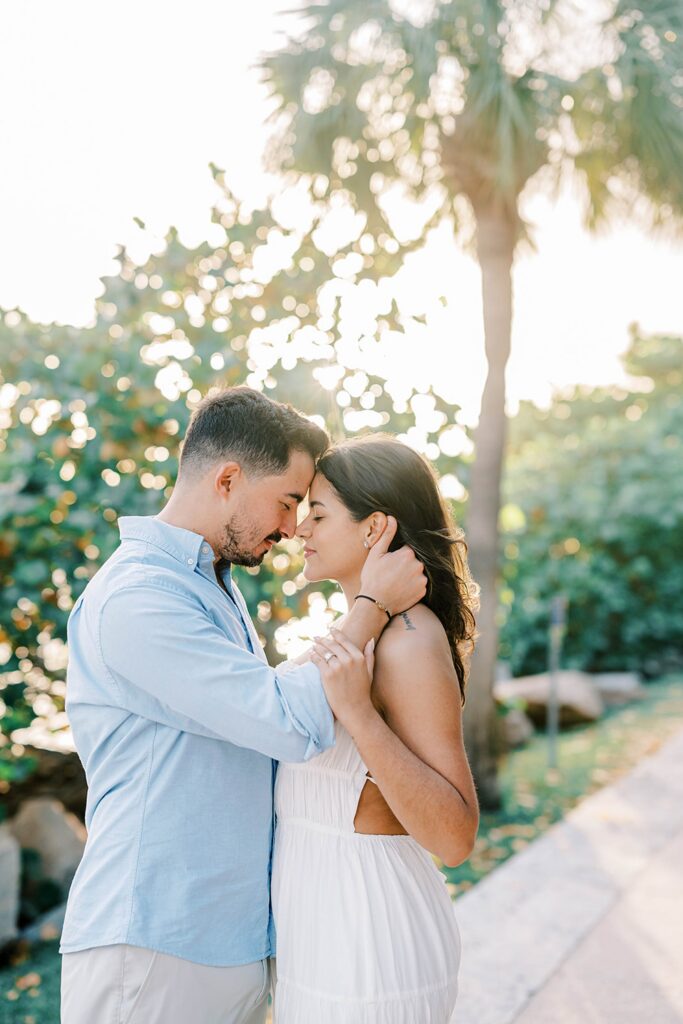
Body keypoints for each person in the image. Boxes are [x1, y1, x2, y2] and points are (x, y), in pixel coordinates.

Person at [59, 388, 427, 1024]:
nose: (292, 528)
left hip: (228, 942)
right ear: (228, 479)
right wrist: (372, 604)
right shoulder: (139, 598)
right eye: (287, 501)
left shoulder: (209, 584)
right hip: (153, 942)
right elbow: (286, 720)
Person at [271, 434, 480, 1023]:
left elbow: (455, 835)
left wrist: (361, 717)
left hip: (371, 940)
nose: (298, 530)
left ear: (374, 529)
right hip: (317, 931)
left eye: (317, 514)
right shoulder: (363, 630)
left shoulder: (409, 640)